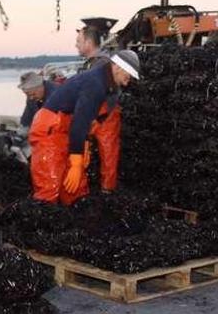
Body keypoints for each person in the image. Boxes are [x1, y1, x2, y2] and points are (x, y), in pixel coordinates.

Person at [28, 50, 140, 205]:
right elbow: (80, 122)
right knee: (50, 187)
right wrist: (76, 161)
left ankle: (71, 220)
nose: (127, 82)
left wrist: (83, 146)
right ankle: (40, 222)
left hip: (67, 129)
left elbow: (85, 122)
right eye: (127, 76)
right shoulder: (96, 83)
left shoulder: (108, 86)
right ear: (117, 67)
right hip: (49, 129)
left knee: (75, 190)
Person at [76, 24, 122, 192]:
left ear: (89, 42)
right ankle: (83, 189)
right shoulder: (89, 65)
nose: (76, 45)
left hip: (105, 115)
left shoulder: (103, 64)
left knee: (108, 154)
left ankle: (107, 192)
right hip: (92, 114)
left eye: (79, 41)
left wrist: (98, 118)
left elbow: (110, 92)